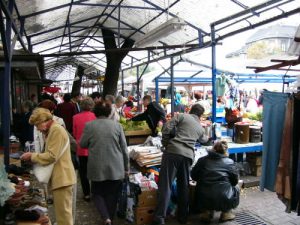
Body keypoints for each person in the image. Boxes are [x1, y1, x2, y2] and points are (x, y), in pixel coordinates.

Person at [152, 104, 209, 225]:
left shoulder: (182, 116)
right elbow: (204, 140)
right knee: (183, 186)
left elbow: (166, 126)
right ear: (200, 115)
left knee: (165, 184)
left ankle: (160, 218)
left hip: (173, 152)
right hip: (187, 156)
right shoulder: (200, 128)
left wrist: (166, 142)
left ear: (190, 110)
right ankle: (183, 217)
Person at [21, 108, 76, 225]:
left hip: (62, 178)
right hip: (61, 178)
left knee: (64, 217)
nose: (36, 129)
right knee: (62, 214)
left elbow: (52, 156)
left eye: (37, 125)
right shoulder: (52, 130)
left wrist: (32, 156)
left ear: (43, 121)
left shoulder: (56, 130)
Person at [80, 102, 128, 225]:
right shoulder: (117, 126)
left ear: (95, 112)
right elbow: (124, 149)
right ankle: (110, 219)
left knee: (97, 192)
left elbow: (83, 144)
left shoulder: (89, 126)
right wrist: (126, 167)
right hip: (116, 166)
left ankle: (106, 217)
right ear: (109, 113)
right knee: (112, 194)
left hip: (97, 165)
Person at [191, 140, 240, 223]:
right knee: (236, 186)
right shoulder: (230, 162)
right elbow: (235, 181)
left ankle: (206, 213)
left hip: (204, 196)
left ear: (212, 149)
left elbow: (193, 176)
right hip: (224, 197)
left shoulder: (202, 160)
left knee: (200, 186)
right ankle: (226, 213)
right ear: (226, 150)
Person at [73, 97, 96, 201]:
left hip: (81, 148)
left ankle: (86, 193)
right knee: (95, 171)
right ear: (92, 106)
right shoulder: (95, 117)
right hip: (94, 148)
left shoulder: (75, 117)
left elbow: (74, 133)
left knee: (83, 172)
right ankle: (95, 193)